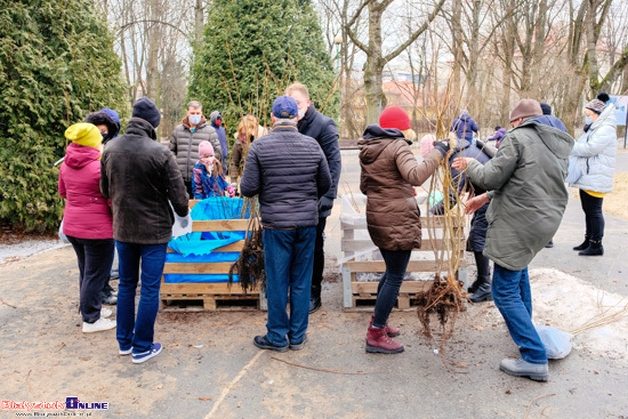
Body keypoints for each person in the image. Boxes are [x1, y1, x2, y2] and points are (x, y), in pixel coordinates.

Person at [452, 99, 573, 381]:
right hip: (543, 220)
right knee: (519, 271)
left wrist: (470, 165)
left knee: (503, 290)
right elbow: (527, 182)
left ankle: (533, 356)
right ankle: (524, 331)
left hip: (519, 222)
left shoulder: (517, 138)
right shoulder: (556, 141)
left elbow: (492, 176)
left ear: (518, 121)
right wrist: (484, 198)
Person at [101, 97, 189, 364]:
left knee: (127, 285)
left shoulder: (110, 148)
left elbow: (105, 190)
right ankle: (142, 346)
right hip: (154, 232)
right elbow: (181, 200)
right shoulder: (160, 153)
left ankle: (124, 342)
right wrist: (182, 215)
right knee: (150, 289)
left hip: (124, 229)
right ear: (153, 124)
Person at [240, 96, 331, 352]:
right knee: (301, 280)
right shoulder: (312, 146)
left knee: (278, 280)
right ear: (296, 117)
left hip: (276, 225)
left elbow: (248, 188)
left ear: (272, 117)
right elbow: (325, 183)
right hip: (306, 223)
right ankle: (298, 335)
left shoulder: (260, 147)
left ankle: (277, 336)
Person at [359, 106, 449, 354]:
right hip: (396, 219)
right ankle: (376, 333)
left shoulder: (370, 147)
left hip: (378, 216)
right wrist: (439, 152)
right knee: (396, 276)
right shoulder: (398, 145)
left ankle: (380, 321)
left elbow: (365, 186)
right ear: (400, 127)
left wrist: (394, 188)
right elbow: (416, 175)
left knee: (390, 272)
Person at [285, 82, 342, 313]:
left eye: (298, 104)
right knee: (293, 244)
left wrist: (328, 196)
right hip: (291, 198)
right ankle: (296, 287)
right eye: (291, 104)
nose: (295, 109)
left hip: (316, 198)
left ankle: (313, 290)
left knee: (314, 245)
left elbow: (334, 162)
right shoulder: (288, 125)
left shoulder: (323, 125)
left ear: (308, 103)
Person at [58, 122, 115, 333]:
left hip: (73, 227)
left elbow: (63, 192)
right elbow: (110, 197)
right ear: (92, 143)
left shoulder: (66, 164)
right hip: (97, 229)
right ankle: (91, 319)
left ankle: (91, 310)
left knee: (86, 270)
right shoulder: (97, 167)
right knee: (96, 273)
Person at [431, 133, 494, 303]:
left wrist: (430, 214)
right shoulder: (465, 149)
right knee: (477, 234)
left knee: (478, 238)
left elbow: (452, 197)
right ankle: (482, 280)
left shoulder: (455, 159)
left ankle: (486, 286)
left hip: (491, 197)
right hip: (487, 195)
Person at [568, 98, 617, 256]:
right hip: (589, 175)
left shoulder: (605, 129)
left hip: (596, 175)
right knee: (588, 210)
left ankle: (596, 245)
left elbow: (590, 149)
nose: (587, 117)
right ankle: (588, 240)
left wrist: (571, 146)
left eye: (589, 114)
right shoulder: (595, 127)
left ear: (597, 113)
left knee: (594, 211)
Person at [85, 108, 122, 305]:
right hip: (97, 212)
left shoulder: (114, 147)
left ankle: (98, 294)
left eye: (104, 130)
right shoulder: (90, 153)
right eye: (98, 130)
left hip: (107, 210)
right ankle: (94, 304)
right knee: (96, 262)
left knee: (99, 261)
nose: (102, 134)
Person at [169, 101, 222, 196]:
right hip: (180, 179)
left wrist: (207, 162)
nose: (195, 115)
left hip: (201, 181)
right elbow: (170, 151)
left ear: (202, 113)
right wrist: (175, 164)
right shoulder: (178, 131)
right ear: (187, 113)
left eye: (198, 113)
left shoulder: (210, 132)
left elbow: (218, 152)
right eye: (192, 113)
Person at [229, 114, 267, 185]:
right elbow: (234, 163)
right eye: (241, 134)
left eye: (245, 134)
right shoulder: (239, 142)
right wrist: (233, 182)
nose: (243, 137)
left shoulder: (263, 139)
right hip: (246, 180)